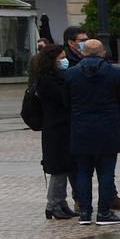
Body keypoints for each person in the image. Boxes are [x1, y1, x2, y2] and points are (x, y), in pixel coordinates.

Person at [64, 39, 120, 226]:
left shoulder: (71, 74)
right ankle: (104, 212)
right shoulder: (114, 73)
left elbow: (66, 101)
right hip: (107, 128)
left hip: (81, 128)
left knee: (83, 172)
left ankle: (85, 213)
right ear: (102, 53)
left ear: (83, 53)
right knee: (106, 172)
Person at [29, 40, 75, 219]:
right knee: (58, 169)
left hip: (61, 127)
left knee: (63, 167)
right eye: (61, 58)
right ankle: (53, 204)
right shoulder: (48, 80)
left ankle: (61, 202)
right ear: (52, 60)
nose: (64, 60)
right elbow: (63, 100)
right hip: (56, 129)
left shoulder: (55, 77)